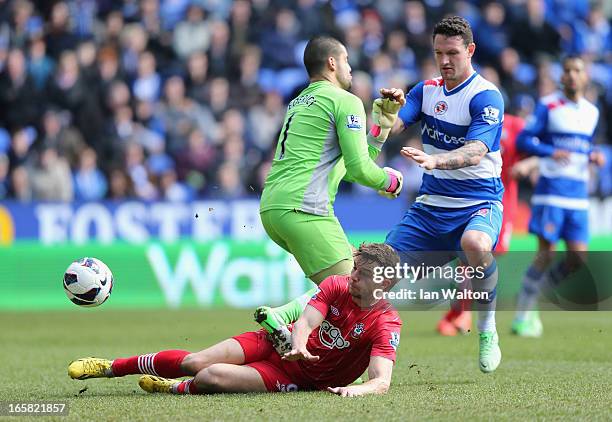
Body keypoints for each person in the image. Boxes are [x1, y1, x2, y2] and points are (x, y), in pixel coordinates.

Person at [68, 243, 402, 397]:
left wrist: (355, 392)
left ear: (383, 283)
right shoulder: (337, 284)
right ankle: (112, 367)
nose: (353, 276)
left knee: (210, 376)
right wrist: (296, 343)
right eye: (355, 268)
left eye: (364, 274)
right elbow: (306, 322)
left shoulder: (386, 323)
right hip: (278, 342)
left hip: (298, 376)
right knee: (195, 360)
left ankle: (176, 389)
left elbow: (381, 381)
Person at [255, 36, 405, 350]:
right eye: (347, 60)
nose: (351, 68)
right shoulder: (343, 100)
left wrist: (382, 123)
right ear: (332, 63)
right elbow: (362, 170)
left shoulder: (300, 101)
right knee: (358, 284)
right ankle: (285, 318)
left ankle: (282, 322)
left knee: (343, 283)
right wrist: (391, 183)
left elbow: (350, 168)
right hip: (304, 207)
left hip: (273, 208)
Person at [382, 16, 504, 373]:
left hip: (478, 202)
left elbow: (476, 150)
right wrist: (386, 110)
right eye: (438, 53)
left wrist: (436, 161)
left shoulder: (486, 95)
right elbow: (392, 129)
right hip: (431, 208)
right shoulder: (425, 90)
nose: (445, 61)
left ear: (470, 50)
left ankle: (487, 330)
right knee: (378, 271)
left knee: (477, 244)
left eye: (452, 52)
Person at [511, 56, 604, 337]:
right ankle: (522, 312)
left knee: (579, 257)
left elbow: (581, 146)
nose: (573, 75)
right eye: (568, 71)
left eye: (578, 71)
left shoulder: (592, 112)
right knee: (546, 253)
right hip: (551, 191)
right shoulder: (548, 105)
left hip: (577, 194)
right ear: (562, 77)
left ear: (585, 77)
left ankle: (536, 290)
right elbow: (524, 140)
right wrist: (551, 152)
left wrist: (592, 155)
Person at [437, 113, 525, 336]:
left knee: (487, 254)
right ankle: (461, 312)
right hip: (473, 197)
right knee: (468, 255)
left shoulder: (516, 126)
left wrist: (529, 165)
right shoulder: (467, 120)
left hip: (503, 199)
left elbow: (533, 150)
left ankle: (461, 310)